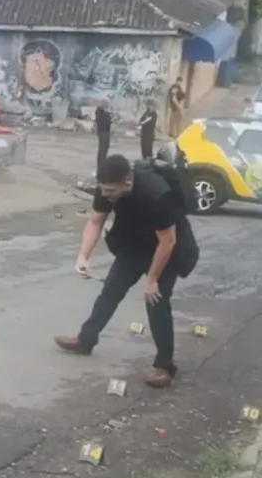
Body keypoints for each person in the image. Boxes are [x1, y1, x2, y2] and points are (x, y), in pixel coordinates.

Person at [53, 154, 193, 388]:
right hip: (134, 244)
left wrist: (152, 279)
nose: (106, 195)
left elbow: (167, 241)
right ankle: (85, 341)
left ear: (126, 182)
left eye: (110, 191)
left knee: (156, 301)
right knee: (110, 291)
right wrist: (83, 255)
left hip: (167, 249)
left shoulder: (156, 194)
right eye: (103, 190)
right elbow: (96, 221)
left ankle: (164, 366)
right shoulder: (107, 186)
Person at [94, 98, 112, 172]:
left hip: (106, 131)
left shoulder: (104, 112)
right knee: (102, 149)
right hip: (102, 132)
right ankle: (100, 166)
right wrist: (106, 113)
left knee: (105, 147)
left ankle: (102, 164)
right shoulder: (100, 112)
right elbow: (102, 121)